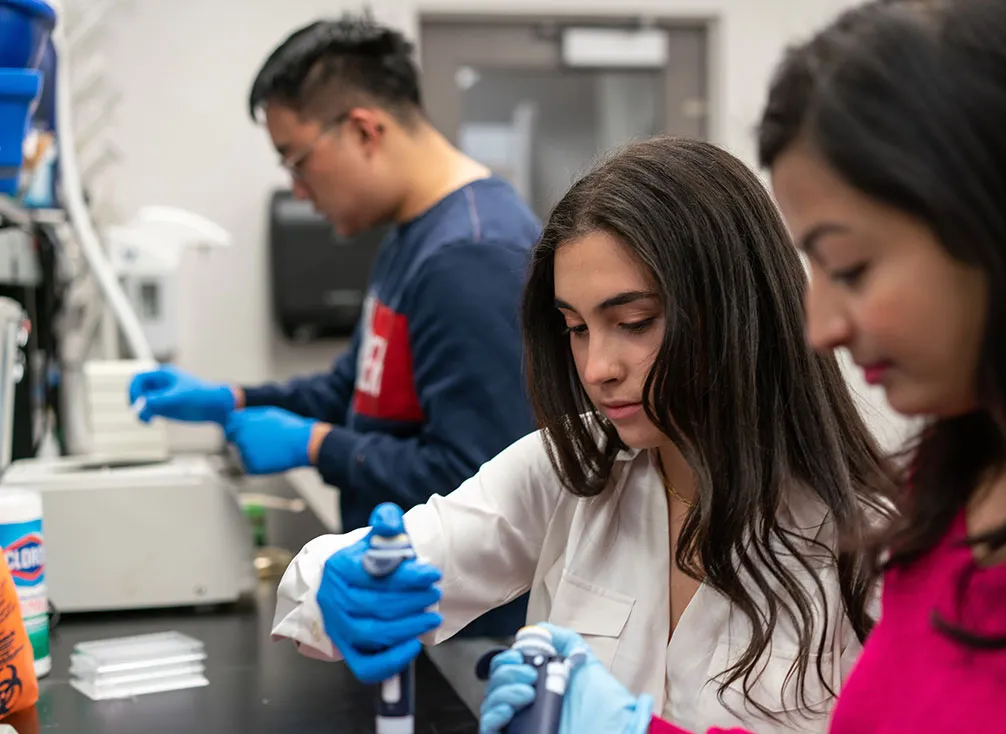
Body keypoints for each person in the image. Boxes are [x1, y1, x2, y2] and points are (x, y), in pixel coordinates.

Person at [480, 0, 1006, 732]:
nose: (822, 326)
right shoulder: (952, 483)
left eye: (853, 265)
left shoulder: (869, 528)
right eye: (575, 330)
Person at [271, 136, 897, 733]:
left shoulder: (869, 543)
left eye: (633, 322)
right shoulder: (572, 468)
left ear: (737, 310)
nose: (598, 368)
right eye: (576, 328)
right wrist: (340, 583)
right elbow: (385, 560)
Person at [127, 14, 540, 636]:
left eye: (297, 160)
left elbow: (488, 485)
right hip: (406, 604)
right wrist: (231, 400)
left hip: (466, 624)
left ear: (363, 130)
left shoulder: (471, 255)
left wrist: (317, 445)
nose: (297, 189)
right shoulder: (414, 236)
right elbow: (353, 388)